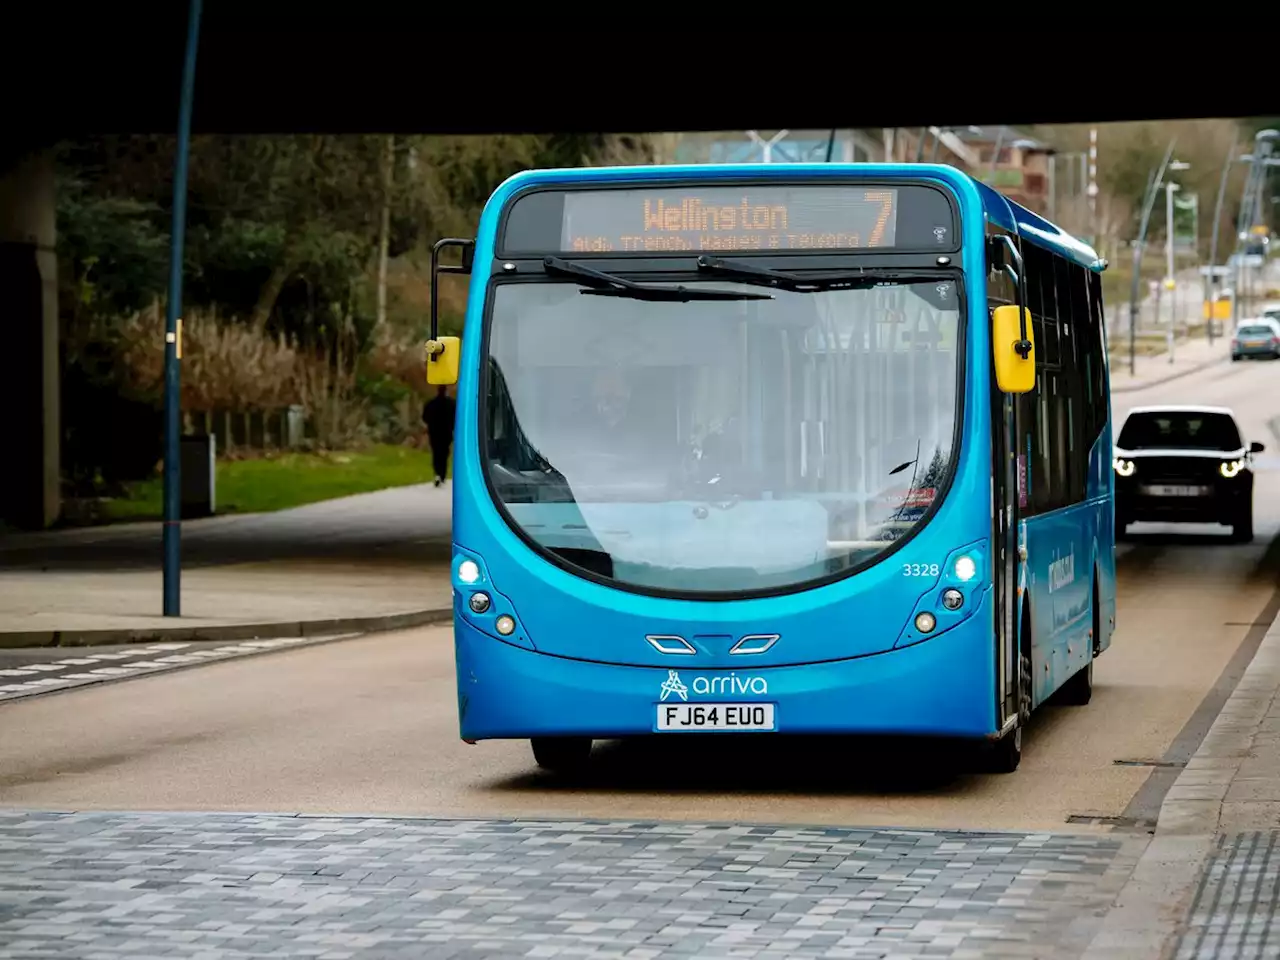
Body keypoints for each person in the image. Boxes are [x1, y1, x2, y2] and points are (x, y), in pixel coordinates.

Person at [422, 386, 456, 487]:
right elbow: (456, 417)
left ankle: (437, 473)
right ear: (446, 391)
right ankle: (442, 474)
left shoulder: (431, 403)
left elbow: (425, 417)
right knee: (444, 453)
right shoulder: (451, 403)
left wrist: (431, 423)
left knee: (436, 453)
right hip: (446, 432)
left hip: (434, 432)